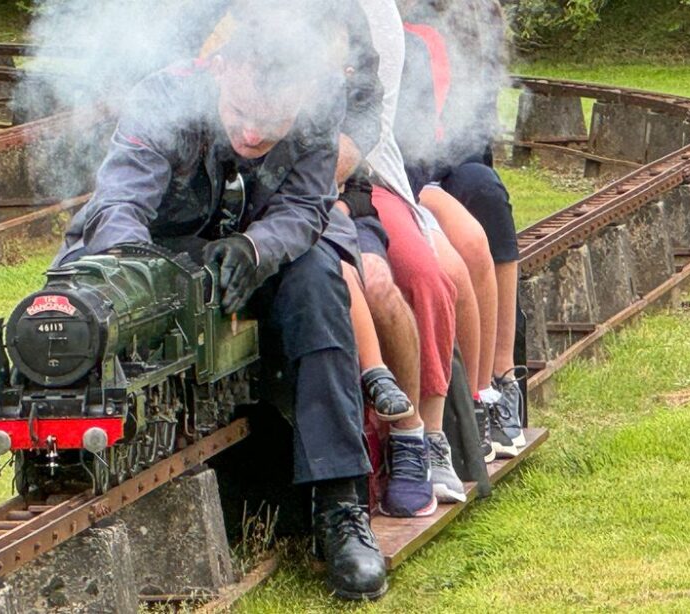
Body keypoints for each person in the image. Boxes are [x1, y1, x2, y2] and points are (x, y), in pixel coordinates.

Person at [54, 8, 388, 600]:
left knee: (319, 280)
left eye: (272, 123)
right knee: (70, 304)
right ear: (222, 67)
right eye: (240, 116)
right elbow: (119, 204)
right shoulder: (164, 97)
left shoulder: (323, 100)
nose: (254, 136)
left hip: (262, 257)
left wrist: (256, 249)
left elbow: (308, 208)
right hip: (157, 255)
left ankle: (340, 508)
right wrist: (140, 274)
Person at [334, 0, 476, 515]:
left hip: (360, 172)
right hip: (266, 179)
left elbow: (371, 120)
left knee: (420, 272)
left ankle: (425, 436)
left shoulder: (373, 15)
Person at [397, 0, 527, 457]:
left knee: (485, 191)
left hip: (445, 161)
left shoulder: (473, 17)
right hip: (399, 171)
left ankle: (502, 374)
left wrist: (437, 179)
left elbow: (475, 130)